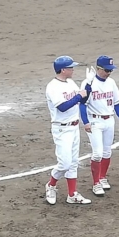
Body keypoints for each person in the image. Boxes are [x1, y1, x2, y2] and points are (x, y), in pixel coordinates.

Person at [44, 55, 91, 205]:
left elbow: (83, 99)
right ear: (63, 70)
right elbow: (62, 107)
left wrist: (88, 85)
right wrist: (78, 96)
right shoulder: (53, 87)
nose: (73, 70)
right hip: (61, 129)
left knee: (73, 163)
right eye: (71, 67)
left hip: (74, 127)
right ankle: (51, 185)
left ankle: (72, 194)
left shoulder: (70, 82)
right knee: (64, 163)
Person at [79, 55, 119, 196]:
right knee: (98, 153)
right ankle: (96, 183)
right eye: (107, 70)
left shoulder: (111, 82)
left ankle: (102, 177)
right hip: (95, 121)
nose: (109, 73)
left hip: (109, 120)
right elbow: (82, 104)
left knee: (107, 152)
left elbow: (116, 102)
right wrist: (86, 122)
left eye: (111, 70)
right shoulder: (88, 83)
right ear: (98, 69)